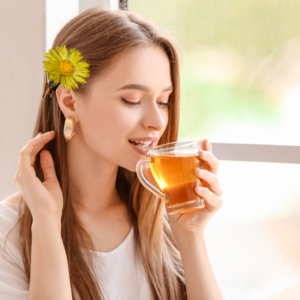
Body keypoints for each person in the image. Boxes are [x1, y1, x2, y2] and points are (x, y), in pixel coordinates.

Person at [0, 7, 223, 300]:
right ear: (69, 100)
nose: (157, 121)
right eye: (131, 100)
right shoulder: (10, 232)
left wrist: (191, 235)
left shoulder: (162, 220)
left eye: (163, 101)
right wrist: (46, 224)